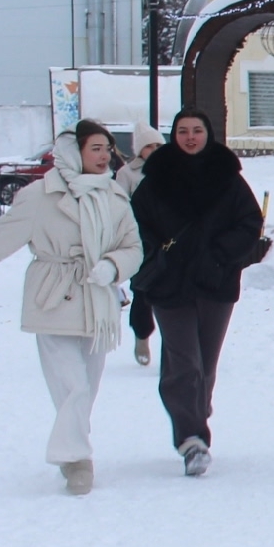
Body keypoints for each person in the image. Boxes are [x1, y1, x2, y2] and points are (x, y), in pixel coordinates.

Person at [0, 122, 141, 494]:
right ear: (74, 152)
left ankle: (71, 451)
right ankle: (79, 461)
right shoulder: (39, 195)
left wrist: (112, 266)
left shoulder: (113, 194)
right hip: (53, 299)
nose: (104, 155)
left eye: (107, 148)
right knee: (72, 386)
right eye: (95, 148)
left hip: (98, 301)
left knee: (86, 390)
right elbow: (2, 238)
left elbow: (133, 247)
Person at [129, 110, 267, 477]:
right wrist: (157, 256)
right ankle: (191, 438)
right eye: (183, 131)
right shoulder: (154, 179)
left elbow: (250, 222)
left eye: (197, 130)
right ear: (173, 136)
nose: (190, 137)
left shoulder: (228, 178)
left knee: (205, 363)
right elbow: (135, 227)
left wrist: (220, 256)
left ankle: (195, 409)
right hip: (169, 284)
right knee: (183, 362)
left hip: (215, 283)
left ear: (209, 134)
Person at [118, 124, 161, 366]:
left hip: (169, 240)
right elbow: (121, 205)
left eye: (157, 145)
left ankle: (175, 347)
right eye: (148, 146)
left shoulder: (173, 169)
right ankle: (142, 334)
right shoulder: (127, 174)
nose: (153, 150)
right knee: (142, 291)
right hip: (141, 240)